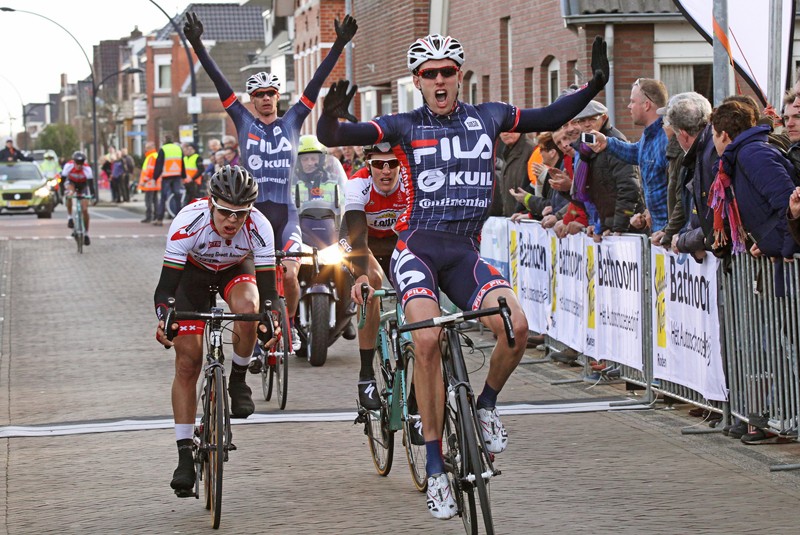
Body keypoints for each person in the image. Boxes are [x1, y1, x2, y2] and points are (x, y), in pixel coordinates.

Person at [317, 33, 609, 519]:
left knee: (517, 328)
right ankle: (435, 468)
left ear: (459, 76)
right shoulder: (404, 125)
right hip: (417, 251)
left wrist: (595, 82)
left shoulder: (489, 116)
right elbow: (336, 137)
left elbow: (551, 117)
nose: (438, 80)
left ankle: (486, 403)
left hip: (465, 254)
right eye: (429, 73)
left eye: (446, 71)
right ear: (417, 81)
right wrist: (330, 114)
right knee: (427, 341)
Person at [183, 11, 358, 352]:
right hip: (252, 214)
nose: (265, 98)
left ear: (278, 96)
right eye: (259, 94)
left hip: (287, 212)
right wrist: (198, 45)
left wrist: (338, 44)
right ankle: (259, 327)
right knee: (258, 280)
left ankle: (287, 325)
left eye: (270, 93)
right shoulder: (242, 120)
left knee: (292, 274)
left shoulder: (293, 120)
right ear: (251, 100)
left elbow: (315, 84)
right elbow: (219, 81)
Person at [154, 164, 279, 496]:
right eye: (225, 213)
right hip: (191, 277)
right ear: (211, 204)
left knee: (250, 310)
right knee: (188, 361)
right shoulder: (187, 222)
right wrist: (165, 317)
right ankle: (183, 455)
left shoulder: (260, 227)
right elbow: (165, 289)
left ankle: (237, 382)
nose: (232, 221)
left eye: (241, 214)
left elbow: (269, 295)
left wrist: (271, 322)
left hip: (234, 271)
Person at [342, 143, 409, 411]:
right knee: (373, 282)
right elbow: (357, 235)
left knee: (414, 283)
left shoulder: (410, 181)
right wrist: (360, 277)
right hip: (359, 241)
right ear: (368, 164)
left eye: (392, 163)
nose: (385, 170)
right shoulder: (357, 185)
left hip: (394, 242)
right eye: (378, 164)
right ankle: (366, 374)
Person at [587, 78, 669, 235]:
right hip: (659, 232)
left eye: (632, 101)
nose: (628, 106)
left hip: (668, 235)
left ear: (646, 105)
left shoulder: (665, 139)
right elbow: (636, 152)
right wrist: (607, 143)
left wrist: (669, 229)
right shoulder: (649, 135)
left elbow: (676, 192)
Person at [491, 131, 535, 217]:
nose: (505, 134)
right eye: (501, 131)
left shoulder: (531, 151)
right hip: (512, 219)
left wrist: (526, 214)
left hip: (526, 221)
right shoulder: (506, 152)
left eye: (509, 129)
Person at [152, 135, 187, 226]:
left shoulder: (163, 149)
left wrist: (155, 177)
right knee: (177, 197)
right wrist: (183, 176)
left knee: (163, 198)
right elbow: (182, 163)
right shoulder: (178, 148)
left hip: (167, 176)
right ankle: (179, 219)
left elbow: (159, 164)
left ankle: (160, 219)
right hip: (177, 176)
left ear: (164, 141)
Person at [62, 151, 94, 246]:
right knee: (70, 194)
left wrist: (93, 196)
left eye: (81, 163)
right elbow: (62, 181)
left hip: (83, 185)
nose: (79, 165)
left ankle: (86, 234)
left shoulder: (87, 168)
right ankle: (70, 218)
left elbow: (91, 185)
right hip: (71, 183)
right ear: (74, 162)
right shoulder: (68, 166)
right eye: (77, 163)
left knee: (84, 210)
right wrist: (61, 194)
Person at [139, 141, 160, 223]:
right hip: (155, 182)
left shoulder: (151, 157)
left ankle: (149, 216)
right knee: (155, 199)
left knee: (148, 200)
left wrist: (144, 181)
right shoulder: (155, 156)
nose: (145, 149)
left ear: (151, 148)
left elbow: (150, 171)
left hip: (149, 183)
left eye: (147, 148)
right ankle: (156, 215)